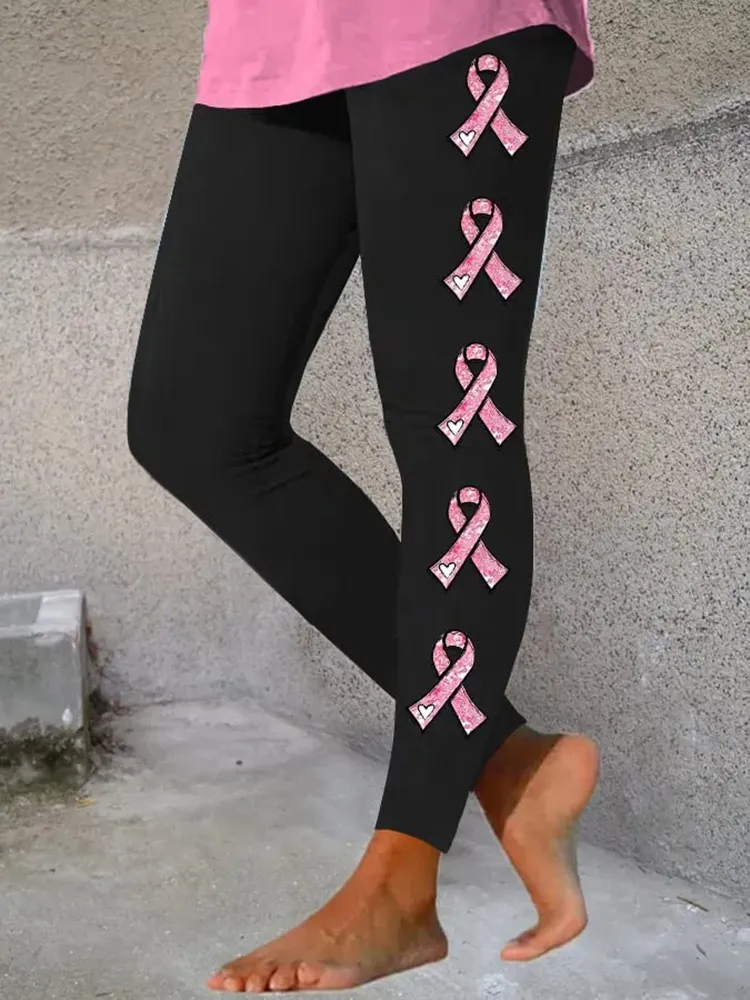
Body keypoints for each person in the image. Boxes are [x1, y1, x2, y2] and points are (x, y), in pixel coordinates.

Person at [128, 0, 600, 992]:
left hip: (450, 20)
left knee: (451, 419)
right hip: (277, 26)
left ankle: (402, 879)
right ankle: (508, 758)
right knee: (192, 425)